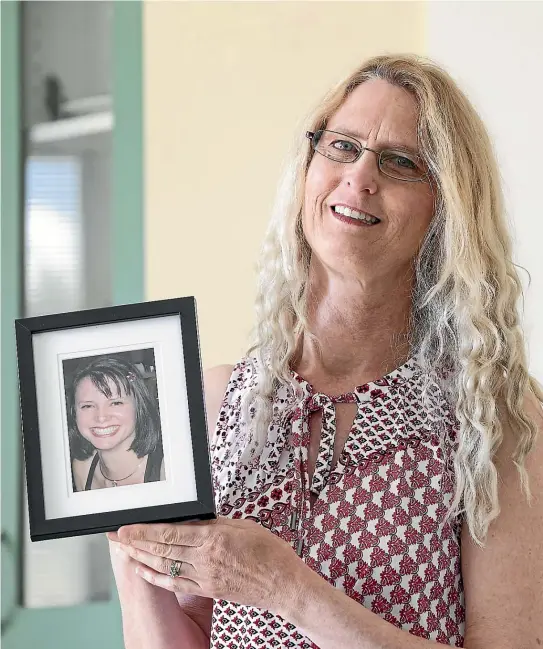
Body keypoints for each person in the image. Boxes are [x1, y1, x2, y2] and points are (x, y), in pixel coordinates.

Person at [107, 54, 543, 648]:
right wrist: (133, 559)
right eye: (341, 146)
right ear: (308, 167)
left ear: (448, 208)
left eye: (400, 162)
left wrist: (286, 588)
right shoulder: (206, 405)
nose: (360, 176)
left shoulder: (496, 424)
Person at [68, 355, 165, 491]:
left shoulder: (167, 469)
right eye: (88, 406)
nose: (101, 417)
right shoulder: (82, 468)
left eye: (115, 403)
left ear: (140, 406)